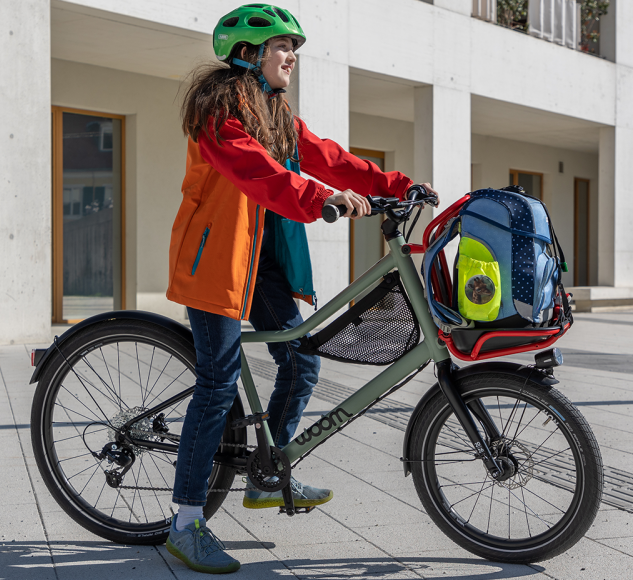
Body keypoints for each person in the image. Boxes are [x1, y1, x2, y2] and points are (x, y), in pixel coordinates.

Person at [163, 4, 437, 574]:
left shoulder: (276, 112)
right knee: (218, 383)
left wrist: (398, 185)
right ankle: (185, 522)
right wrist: (321, 198)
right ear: (248, 54)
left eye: (294, 47)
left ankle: (267, 473)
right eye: (282, 46)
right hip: (215, 259)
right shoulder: (218, 112)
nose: (292, 56)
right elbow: (255, 171)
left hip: (261, 261)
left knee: (301, 360)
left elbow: (326, 158)